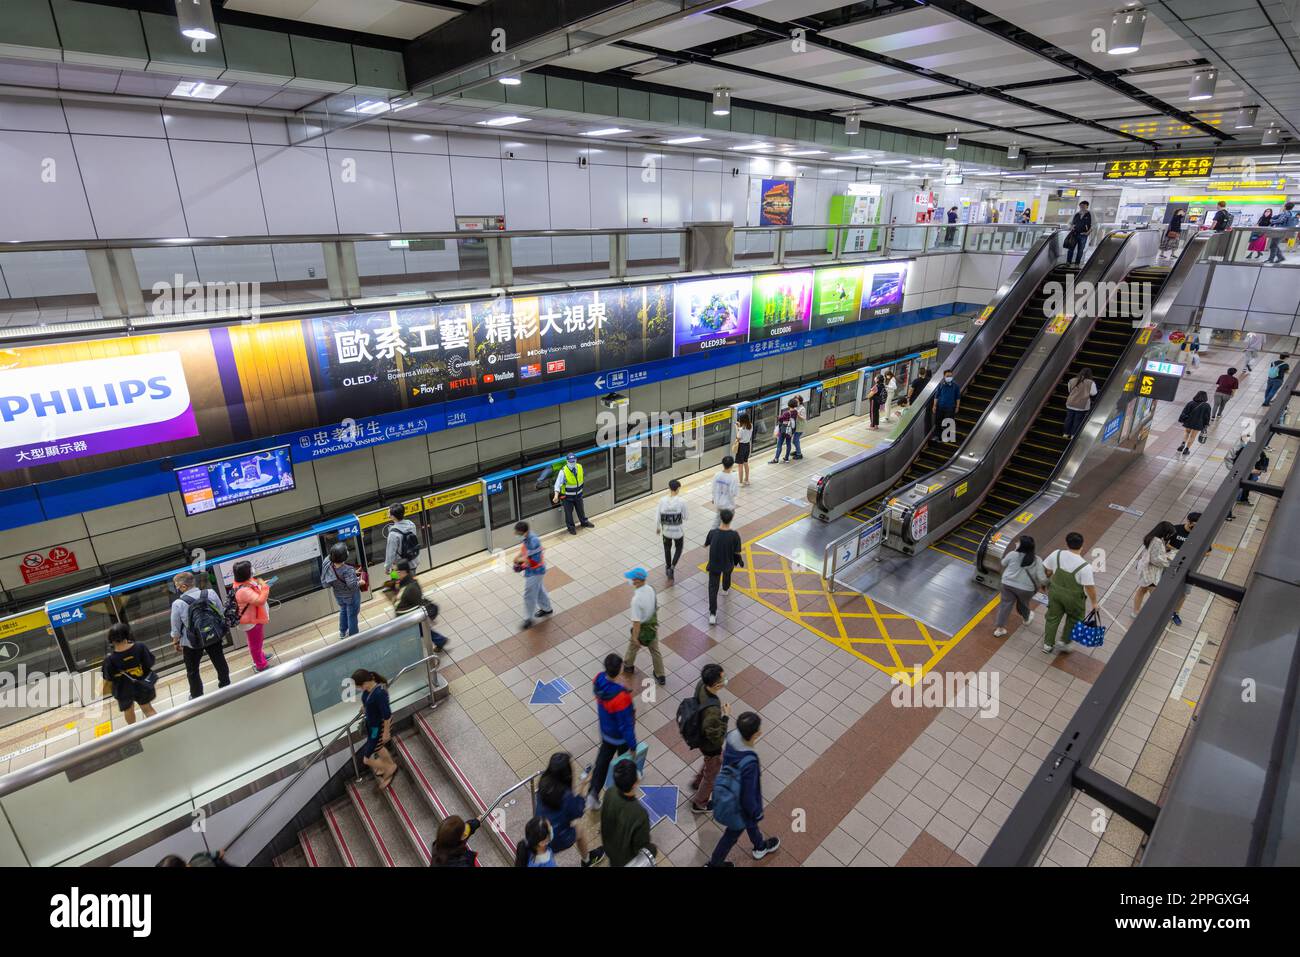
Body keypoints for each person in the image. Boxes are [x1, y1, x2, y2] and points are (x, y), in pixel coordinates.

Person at [707, 711, 780, 866]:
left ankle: (759, 846)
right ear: (756, 734)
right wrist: (756, 812)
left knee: (749, 824)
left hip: (728, 790)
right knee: (731, 835)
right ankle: (714, 863)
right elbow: (748, 794)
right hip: (739, 806)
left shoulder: (731, 738)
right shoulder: (750, 761)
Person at [169, 571, 232, 700]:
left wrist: (176, 641)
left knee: (192, 670)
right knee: (219, 660)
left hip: (192, 642)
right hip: (213, 635)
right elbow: (221, 612)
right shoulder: (210, 593)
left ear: (184, 587)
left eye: (177, 586)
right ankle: (225, 684)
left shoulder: (178, 604)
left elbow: (175, 627)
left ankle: (197, 694)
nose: (177, 589)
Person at [535, 752, 604, 866]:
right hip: (556, 836)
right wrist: (583, 785)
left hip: (539, 829)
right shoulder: (566, 796)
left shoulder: (543, 782)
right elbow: (578, 811)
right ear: (566, 773)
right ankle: (587, 861)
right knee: (580, 831)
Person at [588, 653, 636, 810]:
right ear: (620, 669)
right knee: (625, 763)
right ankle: (624, 792)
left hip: (605, 731)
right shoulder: (621, 697)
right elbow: (626, 725)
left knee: (602, 763)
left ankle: (593, 793)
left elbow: (608, 687)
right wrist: (633, 745)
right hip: (619, 737)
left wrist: (620, 687)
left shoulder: (598, 680)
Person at [1041, 532, 1100, 654]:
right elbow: (1090, 587)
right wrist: (1094, 603)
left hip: (1055, 592)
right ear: (1082, 545)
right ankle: (1064, 642)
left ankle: (1047, 645)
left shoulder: (1056, 554)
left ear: (1066, 543)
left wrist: (1045, 581)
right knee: (1074, 619)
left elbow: (1048, 570)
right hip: (1074, 598)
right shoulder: (1085, 567)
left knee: (1052, 618)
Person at [687, 663, 729, 813]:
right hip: (710, 746)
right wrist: (725, 717)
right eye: (723, 679)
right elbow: (717, 739)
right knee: (712, 774)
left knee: (710, 764)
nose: (725, 681)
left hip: (699, 733)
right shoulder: (713, 710)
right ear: (717, 685)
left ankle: (697, 782)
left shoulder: (701, 684)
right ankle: (699, 803)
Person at [600, 759, 655, 868]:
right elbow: (641, 846)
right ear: (635, 783)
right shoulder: (639, 814)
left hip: (609, 848)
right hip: (626, 860)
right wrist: (652, 850)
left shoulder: (610, 792)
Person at [101, 622, 157, 725]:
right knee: (147, 709)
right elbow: (150, 662)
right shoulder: (140, 647)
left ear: (111, 640)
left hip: (123, 690)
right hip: (141, 684)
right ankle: (159, 728)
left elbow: (108, 677)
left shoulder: (110, 660)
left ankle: (134, 733)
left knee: (128, 710)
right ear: (127, 634)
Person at [351, 668, 398, 789]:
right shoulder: (368, 690)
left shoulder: (379, 693)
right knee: (379, 747)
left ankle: (389, 767)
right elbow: (370, 704)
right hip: (373, 725)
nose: (358, 689)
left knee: (366, 759)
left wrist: (386, 732)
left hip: (379, 727)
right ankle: (389, 764)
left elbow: (387, 714)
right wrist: (365, 707)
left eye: (358, 686)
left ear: (365, 683)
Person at [992, 537, 1047, 638]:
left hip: (1007, 584)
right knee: (1023, 604)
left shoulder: (1013, 554)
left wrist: (1015, 551)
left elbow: (1003, 563)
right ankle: (1026, 619)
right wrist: (1046, 584)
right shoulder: (1037, 560)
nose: (1016, 543)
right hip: (1026, 589)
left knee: (1005, 605)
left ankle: (999, 629)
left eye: (1018, 542)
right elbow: (1042, 578)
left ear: (1021, 545)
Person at [622, 568, 664, 686]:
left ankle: (628, 666)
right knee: (655, 651)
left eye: (632, 578)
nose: (630, 580)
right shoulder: (651, 589)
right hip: (652, 627)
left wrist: (635, 638)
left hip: (642, 629)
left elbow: (636, 622)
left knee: (632, 647)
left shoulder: (636, 600)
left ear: (637, 580)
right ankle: (660, 675)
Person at [703, 508, 743, 626]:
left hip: (714, 565)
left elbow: (706, 544)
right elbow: (737, 552)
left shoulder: (712, 532)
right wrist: (739, 561)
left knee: (712, 588)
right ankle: (725, 589)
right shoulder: (735, 535)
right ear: (731, 519)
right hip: (727, 563)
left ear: (720, 518)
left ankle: (712, 614)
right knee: (727, 574)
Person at [231, 560, 271, 673]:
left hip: (254, 618)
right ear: (246, 572)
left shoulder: (243, 582)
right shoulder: (243, 590)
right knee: (255, 643)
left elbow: (254, 587)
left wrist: (260, 585)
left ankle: (260, 656)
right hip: (251, 621)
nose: (253, 569)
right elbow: (260, 601)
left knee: (257, 641)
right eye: (251, 568)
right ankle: (261, 665)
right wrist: (265, 588)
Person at [514, 521, 554, 630]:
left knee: (529, 594)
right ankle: (547, 609)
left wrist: (518, 560)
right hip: (534, 570)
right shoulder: (527, 536)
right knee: (539, 589)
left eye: (517, 532)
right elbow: (524, 551)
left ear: (524, 531)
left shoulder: (534, 540)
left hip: (536, 571)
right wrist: (518, 557)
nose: (516, 534)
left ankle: (528, 619)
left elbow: (532, 560)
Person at [1166, 511, 1202, 626]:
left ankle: (1175, 613)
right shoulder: (1176, 529)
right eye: (1194, 525)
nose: (1195, 528)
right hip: (1171, 564)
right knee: (1165, 588)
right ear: (1189, 521)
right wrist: (1178, 550)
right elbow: (1166, 544)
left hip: (1188, 567)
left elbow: (1208, 552)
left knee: (1184, 592)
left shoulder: (1199, 534)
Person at [1132, 522, 1175, 617]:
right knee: (1155, 595)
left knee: (1142, 590)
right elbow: (1155, 559)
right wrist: (1167, 562)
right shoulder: (1157, 541)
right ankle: (1157, 615)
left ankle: (1135, 611)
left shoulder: (1152, 537)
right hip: (1149, 571)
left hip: (1145, 568)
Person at [321, 542, 363, 639]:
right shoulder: (347, 570)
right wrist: (360, 582)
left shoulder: (328, 564)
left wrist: (353, 574)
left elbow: (337, 577)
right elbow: (352, 586)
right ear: (344, 556)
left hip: (339, 595)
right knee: (352, 615)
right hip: (351, 597)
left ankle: (343, 632)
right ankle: (354, 637)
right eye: (346, 551)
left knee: (343, 611)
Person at [552, 452, 595, 535]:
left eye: (574, 461)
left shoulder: (579, 467)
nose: (572, 463)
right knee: (568, 514)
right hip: (567, 497)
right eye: (570, 462)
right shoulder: (563, 472)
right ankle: (571, 528)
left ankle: (584, 522)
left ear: (576, 460)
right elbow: (557, 485)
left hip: (578, 494)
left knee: (581, 510)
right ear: (567, 461)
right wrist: (556, 496)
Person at [656, 479, 687, 581]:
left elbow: (658, 516)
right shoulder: (682, 501)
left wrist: (658, 527)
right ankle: (672, 567)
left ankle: (668, 567)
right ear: (678, 489)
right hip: (678, 531)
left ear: (669, 488)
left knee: (667, 549)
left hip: (666, 531)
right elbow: (686, 516)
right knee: (679, 548)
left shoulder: (662, 500)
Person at [384, 503, 421, 586]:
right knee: (411, 582)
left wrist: (387, 568)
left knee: (398, 585)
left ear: (393, 517)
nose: (388, 514)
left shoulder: (393, 534)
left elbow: (390, 553)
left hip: (399, 567)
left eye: (389, 513)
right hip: (413, 561)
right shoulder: (411, 524)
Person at [1228, 448, 1269, 522]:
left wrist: (1259, 470)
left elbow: (1263, 462)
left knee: (1247, 486)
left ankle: (1243, 499)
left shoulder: (1260, 453)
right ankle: (1227, 514)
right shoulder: (1244, 453)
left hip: (1249, 473)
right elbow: (1238, 466)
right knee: (1232, 495)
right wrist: (1252, 471)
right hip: (1239, 474)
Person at [1175, 391, 1211, 456]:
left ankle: (1183, 444)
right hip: (1198, 424)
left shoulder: (1190, 403)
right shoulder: (1206, 406)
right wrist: (1206, 424)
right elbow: (1207, 416)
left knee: (1186, 433)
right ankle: (1186, 449)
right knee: (1192, 436)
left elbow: (1184, 412)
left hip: (1189, 421)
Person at [1063, 368, 1097, 438]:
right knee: (1077, 420)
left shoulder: (1072, 380)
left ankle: (1065, 434)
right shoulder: (1091, 382)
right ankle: (1073, 435)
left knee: (1068, 418)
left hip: (1070, 403)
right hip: (1082, 405)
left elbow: (1069, 390)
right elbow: (1094, 393)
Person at [710, 455, 739, 528]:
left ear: (723, 464)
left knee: (717, 521)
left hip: (719, 504)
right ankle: (721, 534)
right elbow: (734, 493)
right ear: (732, 465)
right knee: (724, 524)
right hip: (728, 506)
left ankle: (714, 533)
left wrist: (714, 498)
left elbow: (713, 488)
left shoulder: (717, 475)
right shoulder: (733, 478)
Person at [932, 368, 960, 436]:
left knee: (948, 422)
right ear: (944, 376)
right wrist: (934, 405)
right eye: (947, 376)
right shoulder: (941, 385)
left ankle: (948, 437)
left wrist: (957, 407)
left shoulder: (955, 386)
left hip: (950, 407)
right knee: (938, 422)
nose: (949, 377)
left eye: (950, 376)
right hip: (940, 407)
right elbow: (936, 396)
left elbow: (958, 397)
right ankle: (937, 436)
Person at [770, 399, 797, 463]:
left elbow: (780, 419)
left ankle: (776, 459)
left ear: (789, 404)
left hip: (783, 430)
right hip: (790, 430)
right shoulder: (795, 412)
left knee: (779, 444)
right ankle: (786, 458)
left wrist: (778, 417)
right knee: (788, 443)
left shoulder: (786, 413)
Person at [1066, 200, 1091, 265]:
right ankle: (1068, 262)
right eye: (1081, 206)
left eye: (1083, 206)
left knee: (1080, 250)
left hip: (1083, 235)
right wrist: (1071, 227)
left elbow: (1094, 225)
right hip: (1074, 234)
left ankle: (1077, 263)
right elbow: (1070, 223)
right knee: (1070, 249)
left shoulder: (1090, 215)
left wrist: (1088, 232)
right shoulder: (1076, 214)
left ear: (1087, 206)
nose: (1082, 207)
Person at [733, 414, 753, 486]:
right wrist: (739, 427)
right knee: (746, 463)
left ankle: (740, 482)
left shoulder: (741, 430)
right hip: (747, 445)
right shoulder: (751, 425)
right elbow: (744, 431)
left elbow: (738, 438)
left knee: (740, 465)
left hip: (741, 447)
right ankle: (747, 480)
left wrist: (737, 428)